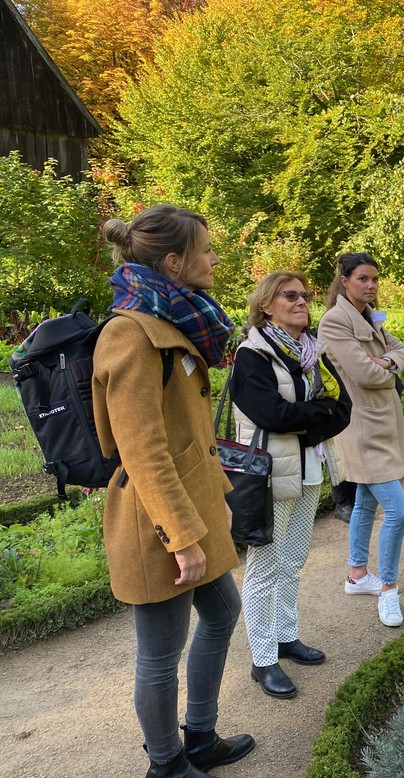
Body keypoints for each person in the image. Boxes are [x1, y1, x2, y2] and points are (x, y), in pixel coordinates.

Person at [92, 205, 255, 778]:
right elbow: (142, 450)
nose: (214, 259)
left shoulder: (178, 320)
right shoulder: (129, 333)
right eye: (206, 250)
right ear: (173, 261)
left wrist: (212, 503)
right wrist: (182, 536)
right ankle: (166, 764)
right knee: (161, 653)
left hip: (193, 505)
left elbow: (187, 433)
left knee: (223, 611)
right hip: (155, 517)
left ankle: (201, 737)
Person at [230, 271, 351, 699]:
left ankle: (285, 635)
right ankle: (263, 661)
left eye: (305, 295)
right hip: (268, 474)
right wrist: (315, 414)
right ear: (266, 304)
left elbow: (343, 410)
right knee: (264, 567)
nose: (302, 301)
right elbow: (271, 415)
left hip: (306, 467)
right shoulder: (252, 354)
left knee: (294, 559)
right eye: (290, 295)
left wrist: (307, 418)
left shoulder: (312, 350)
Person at [318, 252, 404, 627]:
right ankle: (388, 589)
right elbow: (363, 374)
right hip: (361, 426)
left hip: (381, 422)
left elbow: (402, 352)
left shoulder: (368, 316)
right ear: (344, 280)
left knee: (366, 504)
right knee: (399, 511)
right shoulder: (335, 321)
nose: (371, 286)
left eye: (374, 279)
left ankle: (357, 575)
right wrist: (389, 365)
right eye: (362, 279)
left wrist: (386, 362)